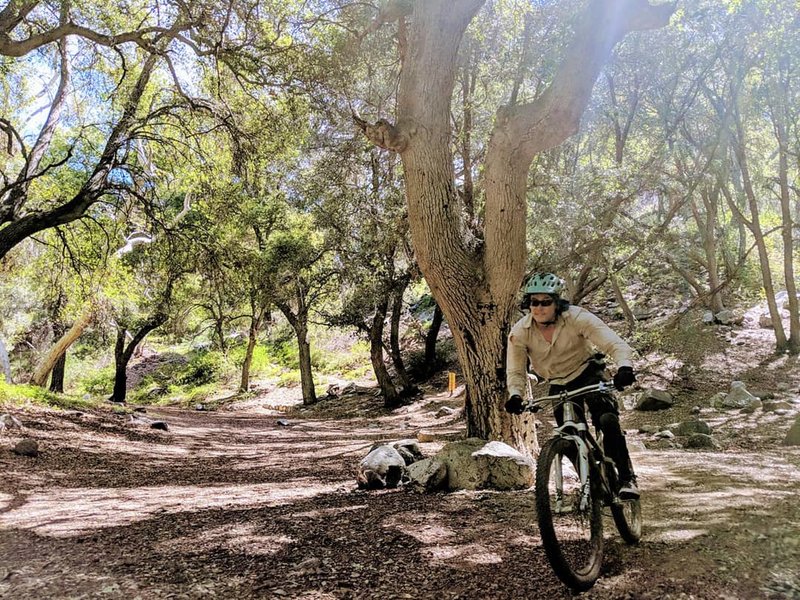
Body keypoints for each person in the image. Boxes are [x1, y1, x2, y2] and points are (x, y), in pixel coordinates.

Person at [505, 272, 640, 499]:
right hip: (558, 382)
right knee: (568, 435)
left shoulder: (577, 317)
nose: (538, 308)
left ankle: (627, 477)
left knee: (607, 419)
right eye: (533, 302)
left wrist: (624, 368)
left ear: (557, 303)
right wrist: (516, 395)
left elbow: (613, 343)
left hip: (588, 372)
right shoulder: (520, 332)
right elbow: (516, 370)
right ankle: (591, 483)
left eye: (545, 302)